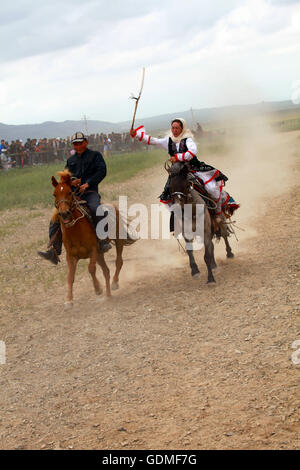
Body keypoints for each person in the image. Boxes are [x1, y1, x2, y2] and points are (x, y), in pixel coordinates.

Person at [130, 118, 239, 223]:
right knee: (167, 198)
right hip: (178, 173)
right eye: (173, 128)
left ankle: (218, 213)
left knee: (211, 188)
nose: (174, 130)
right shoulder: (168, 140)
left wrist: (177, 157)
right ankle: (180, 221)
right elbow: (152, 140)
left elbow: (192, 152)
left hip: (194, 169)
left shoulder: (188, 139)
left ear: (182, 128)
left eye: (177, 128)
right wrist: (136, 134)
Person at [37, 132, 111, 265]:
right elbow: (65, 179)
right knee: (55, 217)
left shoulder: (95, 156)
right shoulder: (71, 160)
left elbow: (102, 171)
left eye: (80, 143)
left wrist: (88, 183)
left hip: (90, 192)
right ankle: (54, 250)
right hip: (73, 195)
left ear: (86, 142)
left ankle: (103, 240)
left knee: (96, 208)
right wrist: (72, 182)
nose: (77, 146)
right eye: (75, 144)